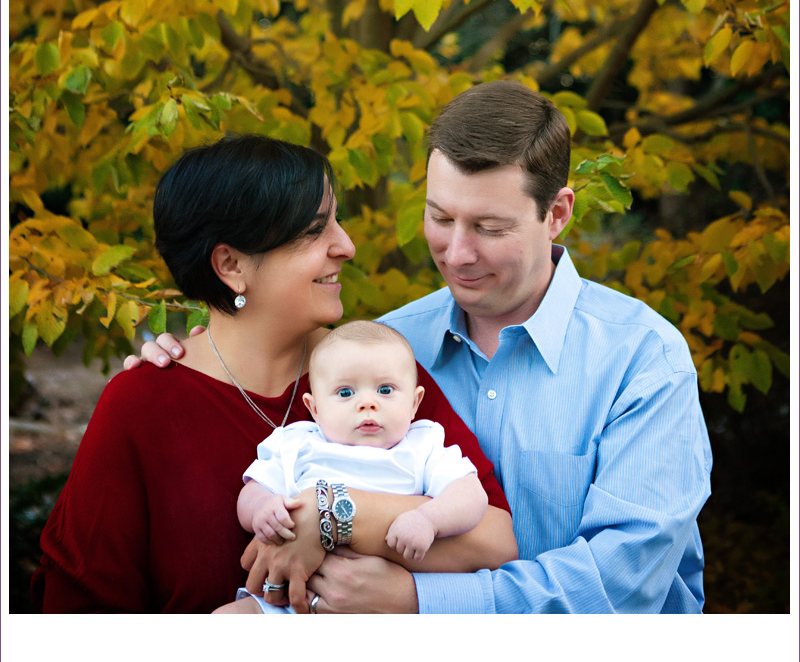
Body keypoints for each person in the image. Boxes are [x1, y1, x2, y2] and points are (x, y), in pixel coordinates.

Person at [138, 81, 713, 614]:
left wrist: (419, 602)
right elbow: (251, 361)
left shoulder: (641, 358)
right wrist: (178, 359)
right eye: (439, 218)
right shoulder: (387, 346)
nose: (456, 254)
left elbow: (625, 584)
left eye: (489, 227)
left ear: (556, 214)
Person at [32, 135, 515, 613]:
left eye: (338, 222)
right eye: (313, 231)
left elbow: (493, 542)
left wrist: (331, 518)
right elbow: (79, 612)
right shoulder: (143, 404)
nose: (346, 246)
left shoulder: (378, 377)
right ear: (231, 264)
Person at [220, 320, 498, 613]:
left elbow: (471, 495)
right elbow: (253, 489)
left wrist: (429, 519)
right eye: (345, 393)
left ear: (415, 403)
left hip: (384, 597)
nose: (368, 403)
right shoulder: (298, 443)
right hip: (295, 599)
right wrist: (263, 508)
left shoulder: (423, 445)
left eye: (386, 390)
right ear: (314, 408)